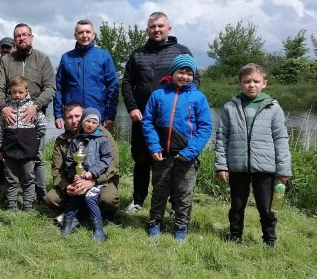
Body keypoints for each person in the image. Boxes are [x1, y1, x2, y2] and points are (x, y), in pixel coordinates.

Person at [122, 12, 193, 214]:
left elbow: (193, 81)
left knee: (170, 161)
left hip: (170, 120)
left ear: (168, 29)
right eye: (153, 26)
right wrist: (132, 107)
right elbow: (127, 82)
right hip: (142, 117)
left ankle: (171, 203)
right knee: (142, 160)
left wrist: (184, 111)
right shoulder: (138, 54)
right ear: (147, 30)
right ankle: (138, 200)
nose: (157, 29)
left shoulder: (181, 52)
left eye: (161, 26)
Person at [215, 63, 291, 247]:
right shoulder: (230, 108)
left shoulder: (273, 108)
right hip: (237, 165)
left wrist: (283, 169)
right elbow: (221, 137)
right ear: (240, 84)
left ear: (264, 83)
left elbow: (281, 139)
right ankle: (235, 236)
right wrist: (221, 165)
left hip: (265, 167)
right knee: (237, 205)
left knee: (266, 206)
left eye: (256, 81)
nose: (251, 85)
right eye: (246, 81)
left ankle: (269, 239)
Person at [142, 54, 212, 242]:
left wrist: (191, 151)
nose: (185, 76)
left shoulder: (198, 97)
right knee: (159, 191)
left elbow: (205, 127)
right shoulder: (158, 95)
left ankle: (181, 225)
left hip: (186, 156)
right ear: (172, 72)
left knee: (184, 194)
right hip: (161, 155)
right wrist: (154, 146)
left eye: (189, 73)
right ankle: (155, 222)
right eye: (181, 71)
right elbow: (147, 122)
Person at [0, 24, 55, 201]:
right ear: (14, 39)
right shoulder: (6, 61)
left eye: (25, 35)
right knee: (10, 156)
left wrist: (35, 106)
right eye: (18, 36)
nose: (22, 38)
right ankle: (10, 193)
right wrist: (3, 107)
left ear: (31, 37)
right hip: (10, 116)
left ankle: (40, 194)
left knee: (37, 156)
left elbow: (50, 87)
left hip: (34, 116)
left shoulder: (43, 59)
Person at [45, 102, 119, 222]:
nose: (74, 121)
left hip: (100, 180)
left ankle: (98, 212)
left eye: (77, 116)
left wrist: (93, 181)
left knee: (109, 199)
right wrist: (66, 187)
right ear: (64, 120)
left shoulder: (102, 134)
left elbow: (114, 164)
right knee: (51, 198)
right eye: (69, 117)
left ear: (84, 115)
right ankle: (81, 209)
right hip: (74, 181)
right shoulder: (61, 140)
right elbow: (56, 170)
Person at [53, 19, 119, 130]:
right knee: (73, 147)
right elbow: (58, 89)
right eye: (80, 32)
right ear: (75, 35)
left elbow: (113, 87)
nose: (84, 35)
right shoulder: (66, 58)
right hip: (73, 117)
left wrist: (110, 115)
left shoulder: (104, 56)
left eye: (88, 32)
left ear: (93, 35)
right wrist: (58, 115)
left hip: (97, 115)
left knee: (98, 146)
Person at [0, 76, 47, 211]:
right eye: (14, 92)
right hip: (9, 151)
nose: (17, 95)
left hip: (28, 152)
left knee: (28, 179)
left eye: (20, 92)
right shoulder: (6, 110)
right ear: (10, 92)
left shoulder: (32, 108)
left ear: (26, 91)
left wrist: (33, 142)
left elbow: (42, 126)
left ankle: (27, 205)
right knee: (11, 180)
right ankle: (11, 204)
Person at [61, 108, 113, 241]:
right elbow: (69, 161)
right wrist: (74, 175)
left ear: (98, 124)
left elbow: (106, 159)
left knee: (90, 197)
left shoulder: (102, 139)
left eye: (94, 122)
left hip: (96, 179)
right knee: (75, 196)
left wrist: (93, 173)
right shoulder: (75, 140)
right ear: (82, 122)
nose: (90, 125)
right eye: (88, 121)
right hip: (79, 177)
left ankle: (99, 230)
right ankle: (66, 227)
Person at [0, 36, 15, 183]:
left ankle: (13, 178)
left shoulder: (16, 63)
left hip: (13, 110)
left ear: (14, 48)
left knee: (12, 145)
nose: (5, 50)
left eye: (8, 47)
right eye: (3, 47)